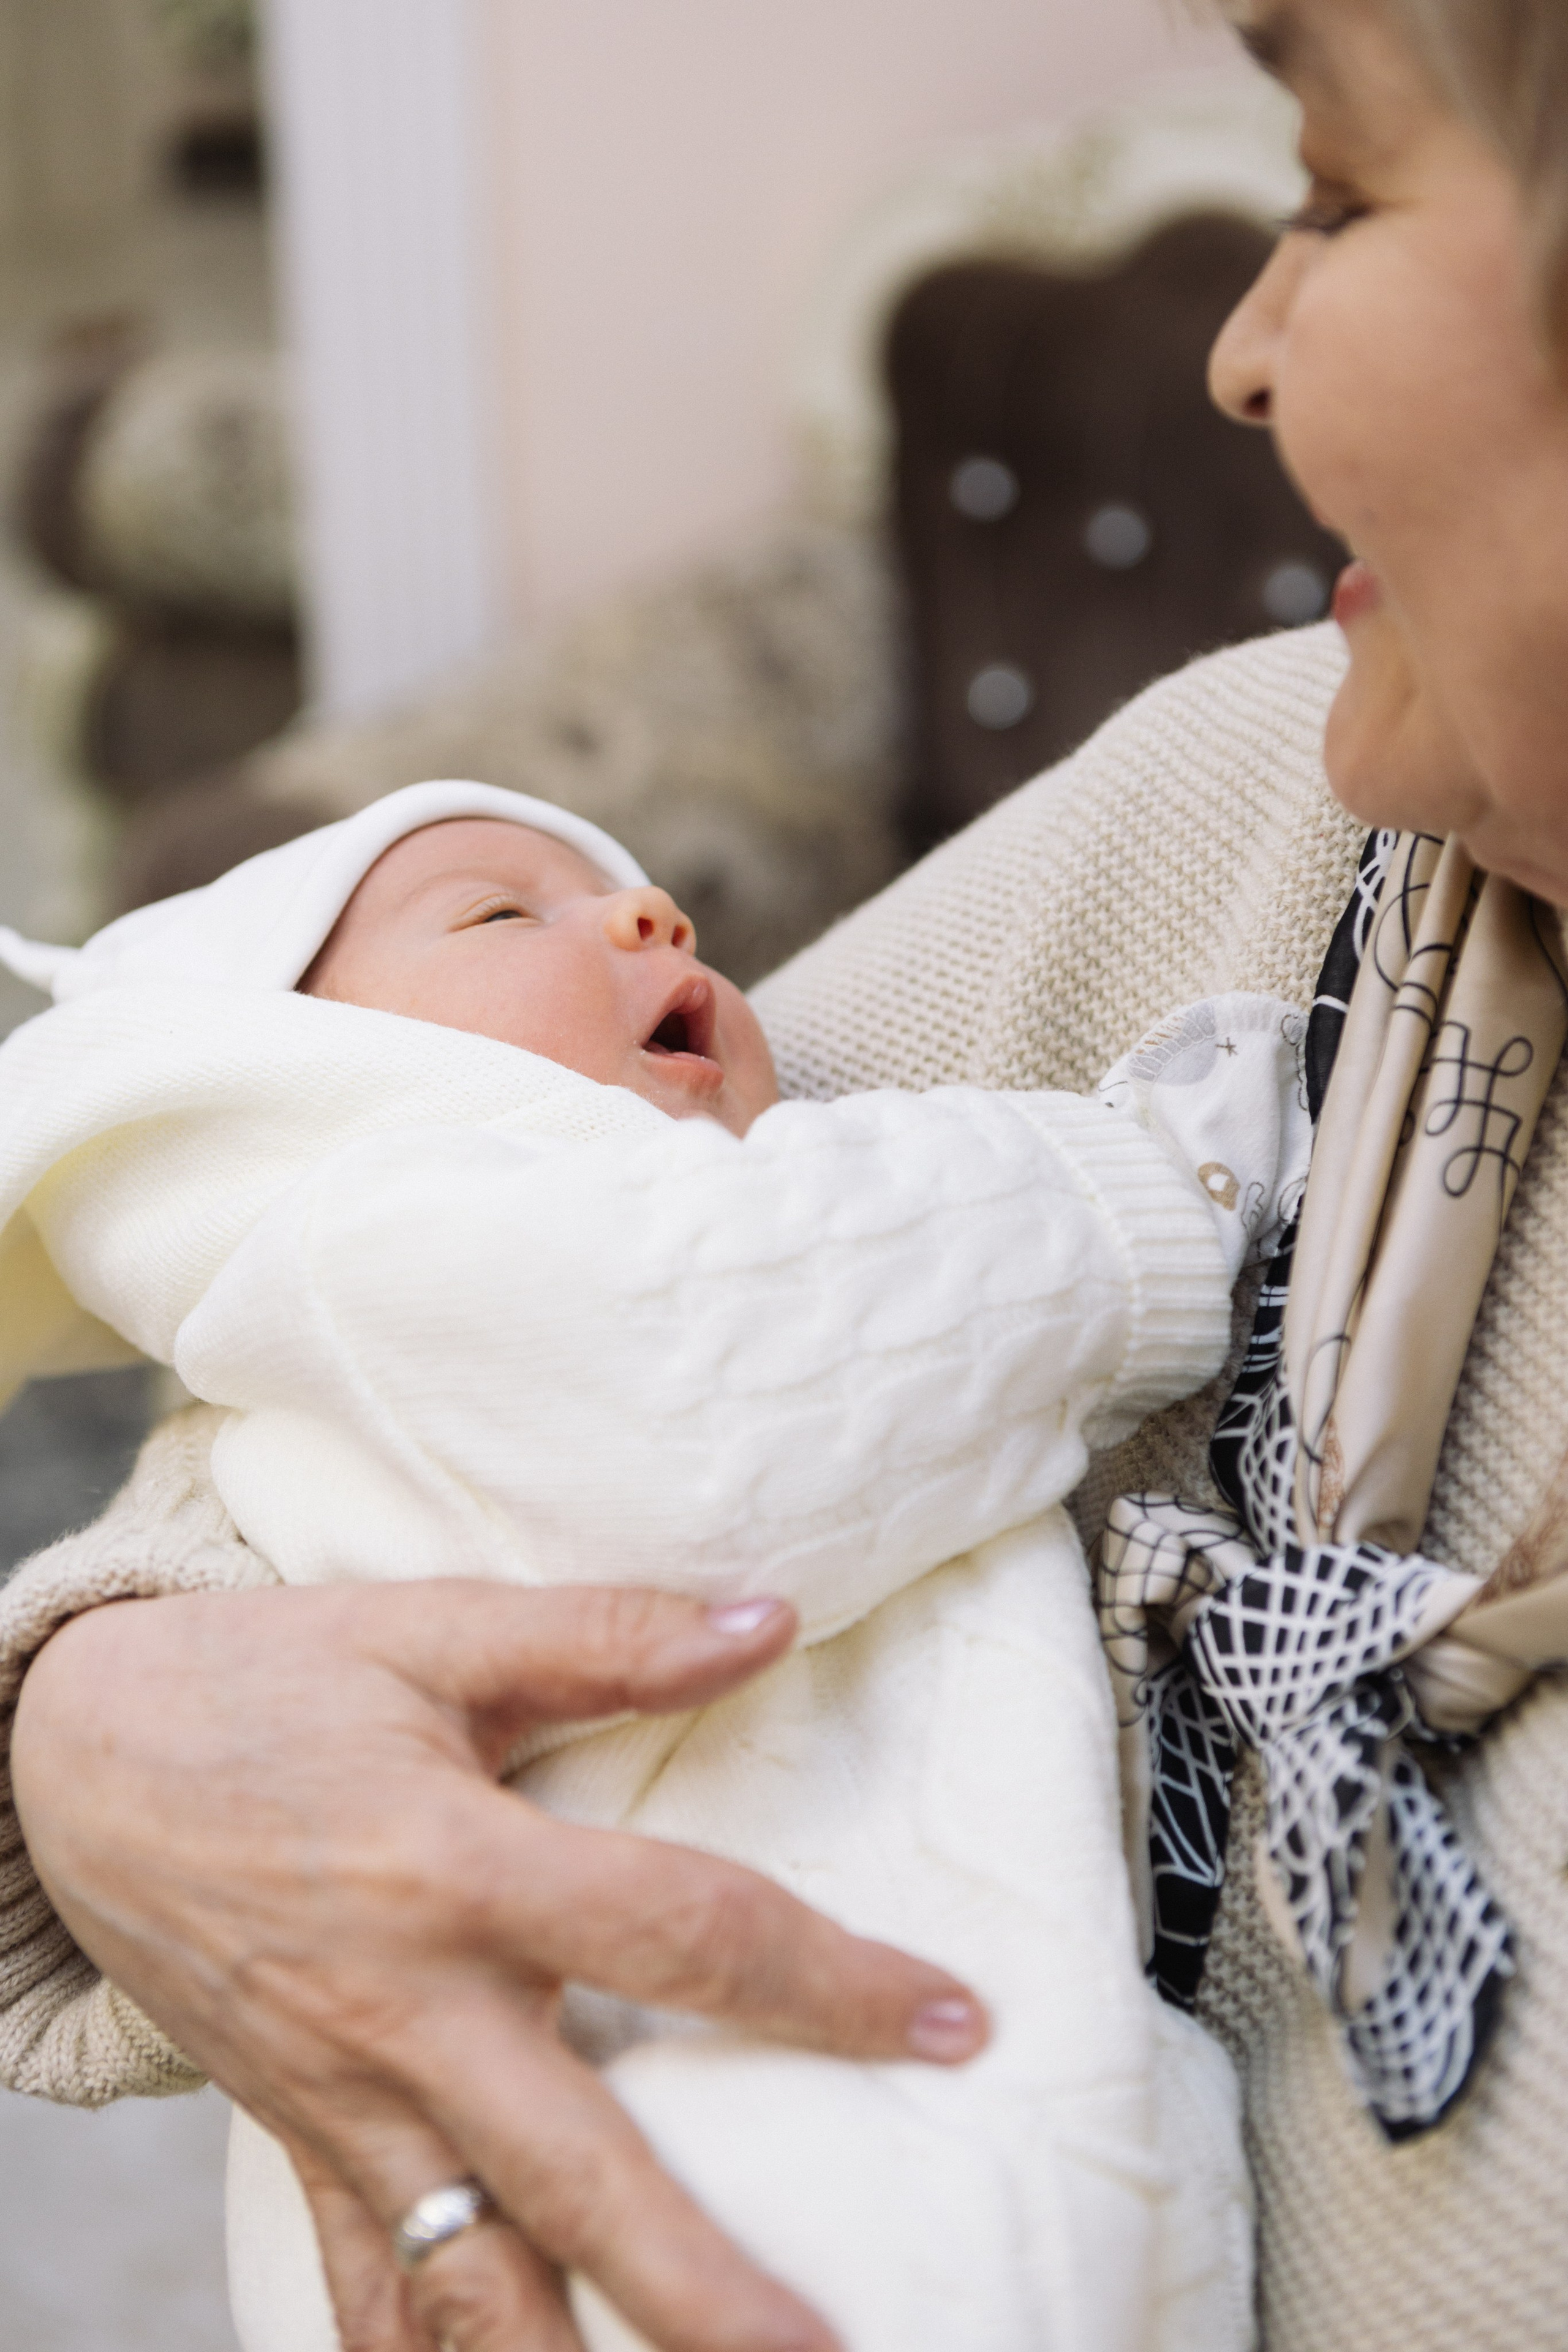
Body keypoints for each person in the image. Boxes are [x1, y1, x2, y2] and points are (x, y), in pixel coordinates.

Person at [4, 1, 1568, 2346]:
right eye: (512, 917)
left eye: (1339, 195)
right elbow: (592, 1321)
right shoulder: (1269, 814)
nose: (1242, 350)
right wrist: (106, 1714)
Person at [0, 777, 1305, 2350]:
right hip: (718, 2187)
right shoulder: (392, 1239)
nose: (654, 914)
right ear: (301, 1072)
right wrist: (1146, 1195)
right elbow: (734, 1359)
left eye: (627, 895)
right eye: (500, 912)